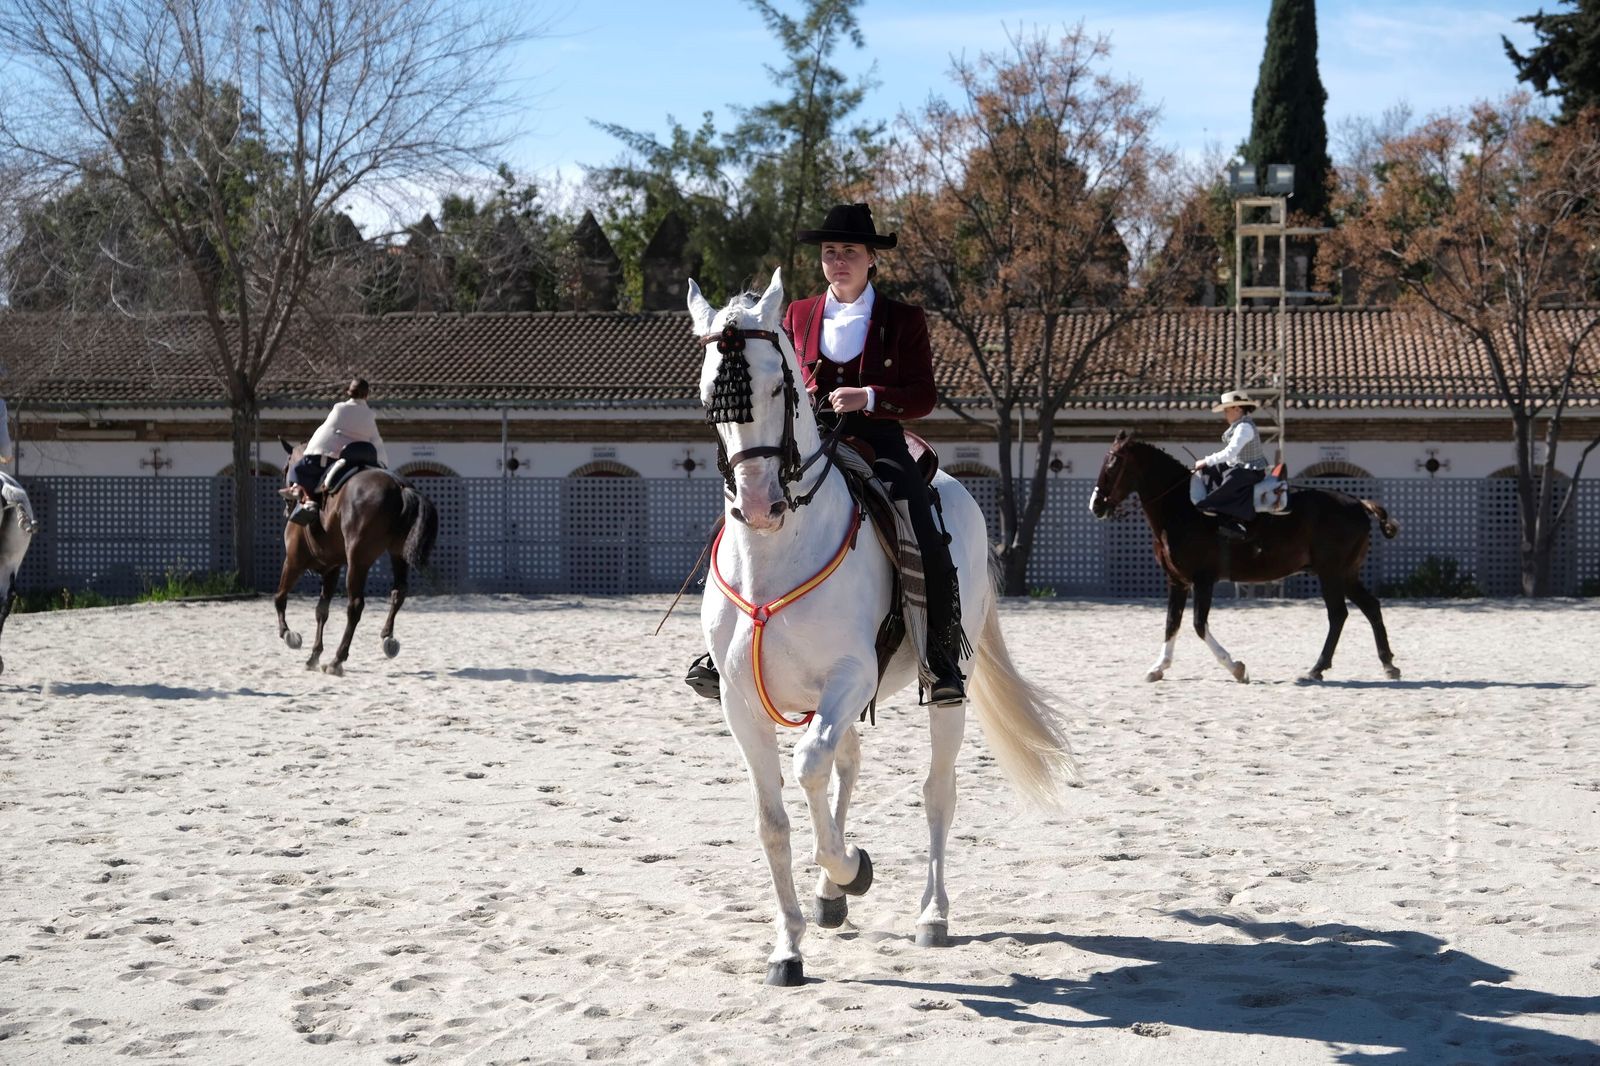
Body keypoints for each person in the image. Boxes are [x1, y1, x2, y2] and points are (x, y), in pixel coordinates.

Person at [689, 203, 967, 706]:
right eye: (831, 253)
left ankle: (941, 656)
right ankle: (716, 650)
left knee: (922, 523)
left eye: (850, 253)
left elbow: (924, 394)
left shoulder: (904, 319)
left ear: (871, 260)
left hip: (877, 441)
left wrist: (872, 398)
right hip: (808, 439)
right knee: (734, 516)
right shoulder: (795, 314)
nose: (839, 261)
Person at [288, 378, 389, 526]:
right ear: (367, 395)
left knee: (298, 469)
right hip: (361, 457)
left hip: (332, 455)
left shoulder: (340, 408)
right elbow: (376, 441)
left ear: (349, 392)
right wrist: (383, 464)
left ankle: (309, 501)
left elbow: (325, 433)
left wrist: (312, 450)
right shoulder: (369, 415)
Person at [1193, 389, 1269, 540]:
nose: (1225, 414)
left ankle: (1230, 518)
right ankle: (1217, 508)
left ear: (1238, 409)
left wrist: (1206, 460)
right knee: (1212, 470)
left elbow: (1230, 453)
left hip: (1252, 470)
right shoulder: (1239, 426)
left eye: (1227, 410)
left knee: (1232, 478)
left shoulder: (1244, 428)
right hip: (1240, 465)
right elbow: (1231, 457)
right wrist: (1209, 465)